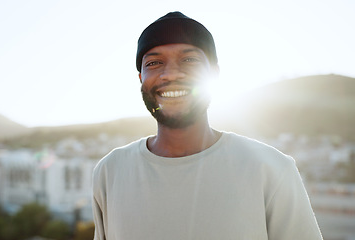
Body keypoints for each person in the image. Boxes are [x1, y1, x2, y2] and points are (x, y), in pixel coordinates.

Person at [92, 11, 322, 240]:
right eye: (154, 62)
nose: (170, 73)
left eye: (189, 60)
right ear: (141, 78)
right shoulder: (110, 171)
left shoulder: (271, 168)